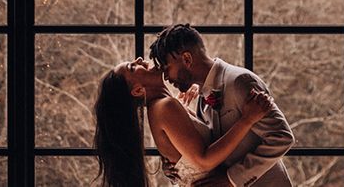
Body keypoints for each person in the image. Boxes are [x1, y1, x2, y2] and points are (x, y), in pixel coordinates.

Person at [94, 55, 275, 186]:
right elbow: (204, 160)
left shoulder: (164, 107)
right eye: (133, 68)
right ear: (138, 91)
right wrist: (247, 120)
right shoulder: (165, 107)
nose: (140, 59)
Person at [150, 24, 295, 186]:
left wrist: (232, 179)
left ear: (187, 59)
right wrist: (177, 166)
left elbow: (282, 137)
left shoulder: (240, 81)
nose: (166, 77)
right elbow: (209, 148)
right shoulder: (201, 95)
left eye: (167, 68)